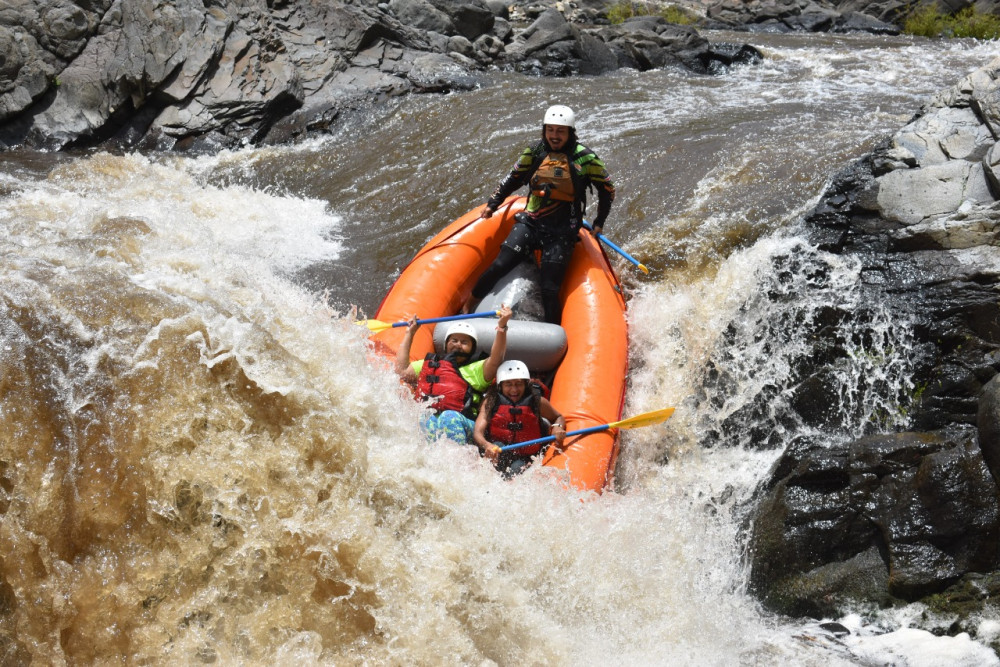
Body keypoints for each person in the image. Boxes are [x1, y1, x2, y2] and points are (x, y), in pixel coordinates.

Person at [463, 104, 616, 324]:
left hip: (562, 231)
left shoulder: (586, 158)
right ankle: (468, 306)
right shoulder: (535, 151)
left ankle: (552, 333)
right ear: (544, 130)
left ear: (570, 133)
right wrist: (493, 203)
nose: (554, 136)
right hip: (531, 222)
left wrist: (599, 221)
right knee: (499, 265)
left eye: (560, 131)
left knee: (550, 289)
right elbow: (513, 177)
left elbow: (608, 190)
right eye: (550, 130)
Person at [395, 305, 513, 443]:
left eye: (464, 342)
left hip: (464, 423)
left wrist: (502, 327)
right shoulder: (430, 364)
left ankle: (458, 459)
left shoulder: (477, 369)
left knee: (448, 417)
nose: (458, 345)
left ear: (472, 347)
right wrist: (410, 333)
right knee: (424, 416)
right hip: (433, 421)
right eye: (454, 340)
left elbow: (496, 357)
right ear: (446, 344)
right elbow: (402, 370)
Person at [473, 360, 566, 477]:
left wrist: (557, 428)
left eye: (518, 384)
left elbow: (558, 417)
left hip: (525, 455)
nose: (514, 390)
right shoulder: (491, 401)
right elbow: (478, 432)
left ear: (525, 385)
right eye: (508, 384)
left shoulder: (537, 401)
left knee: (515, 470)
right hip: (498, 449)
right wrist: (487, 445)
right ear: (500, 386)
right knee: (497, 449)